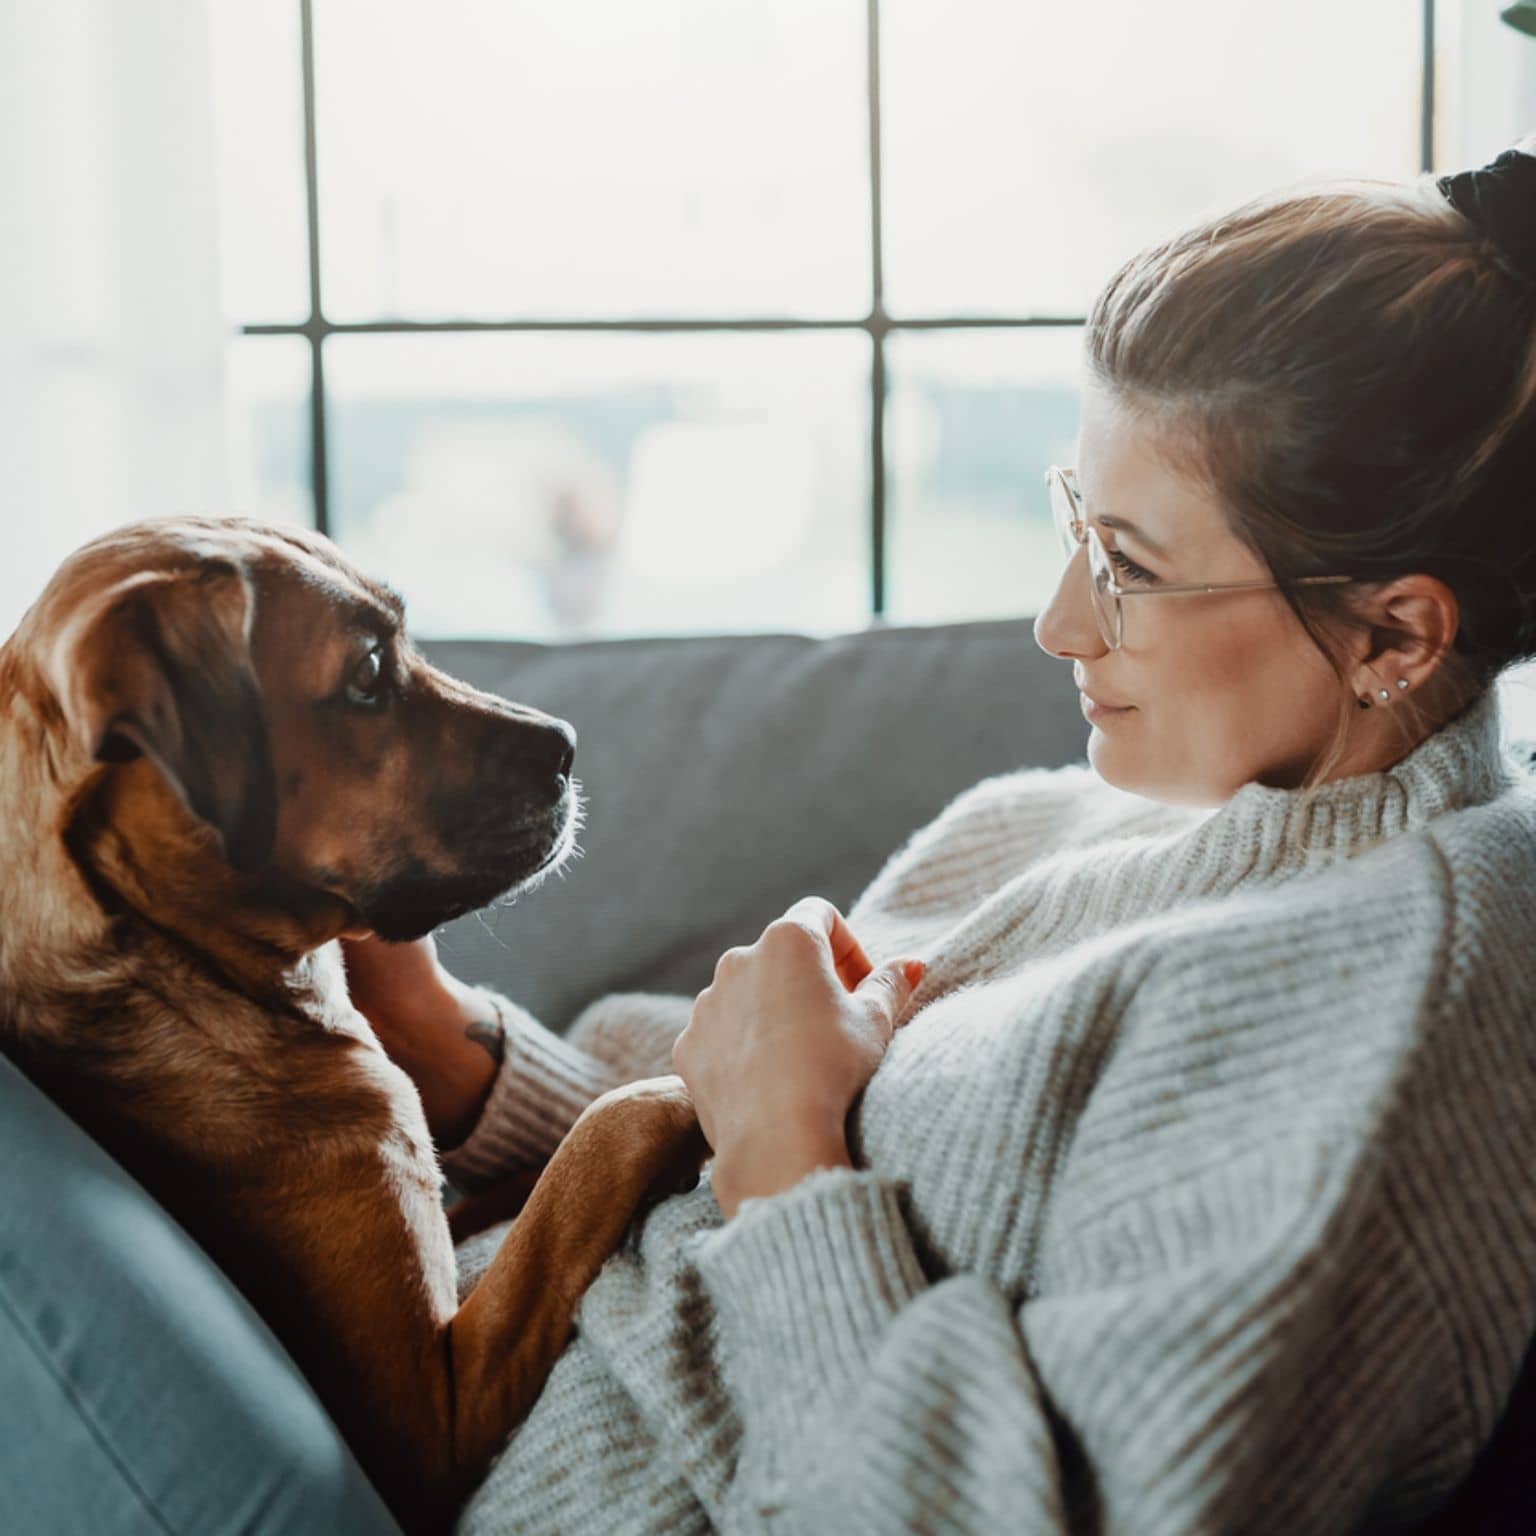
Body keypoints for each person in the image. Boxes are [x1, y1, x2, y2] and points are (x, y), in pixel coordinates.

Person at [340, 138, 1536, 1534]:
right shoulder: (1052, 822)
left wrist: (786, 1155)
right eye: (1075, 523)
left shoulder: (1387, 1014)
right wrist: (465, 1061)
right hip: (435, 1365)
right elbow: (702, 1131)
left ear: (1396, 632)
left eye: (1128, 570)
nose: (1057, 626)